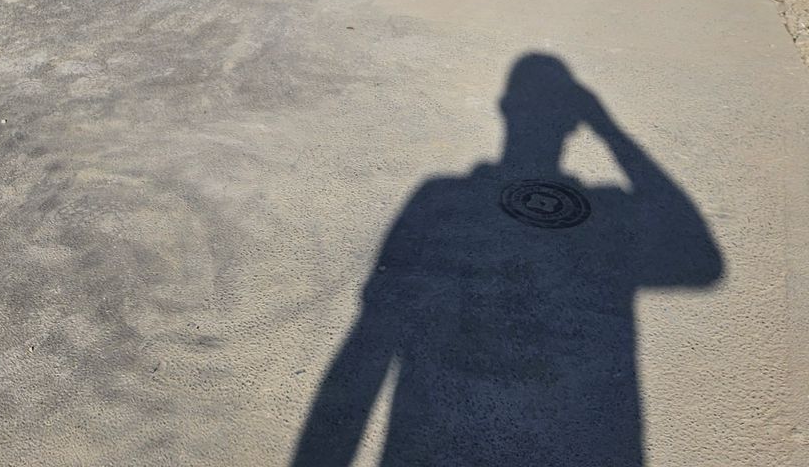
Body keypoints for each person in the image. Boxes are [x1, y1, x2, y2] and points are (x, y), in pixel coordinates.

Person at [289, 55, 723, 467]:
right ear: (575, 124)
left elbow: (369, 336)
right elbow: (700, 263)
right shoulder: (608, 207)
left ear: (505, 108)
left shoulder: (437, 195)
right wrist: (609, 130)